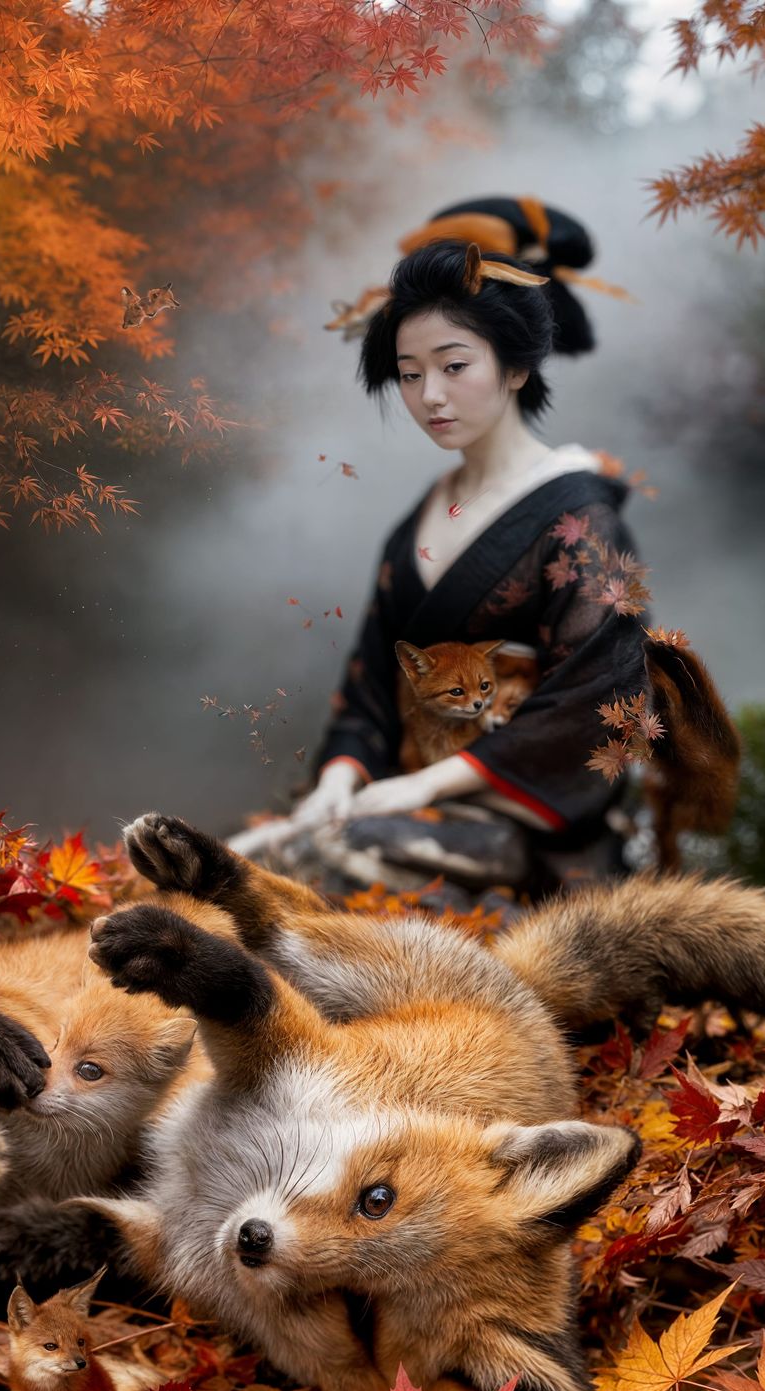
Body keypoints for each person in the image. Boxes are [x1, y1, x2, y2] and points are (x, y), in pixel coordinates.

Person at [258, 202, 647, 894]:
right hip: (409, 808)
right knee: (246, 859)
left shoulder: (579, 514)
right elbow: (374, 690)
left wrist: (423, 787)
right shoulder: (414, 525)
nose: (430, 395)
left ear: (517, 368)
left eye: (454, 364)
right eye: (409, 374)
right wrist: (339, 780)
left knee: (308, 872)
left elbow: (596, 699)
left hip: (527, 845)